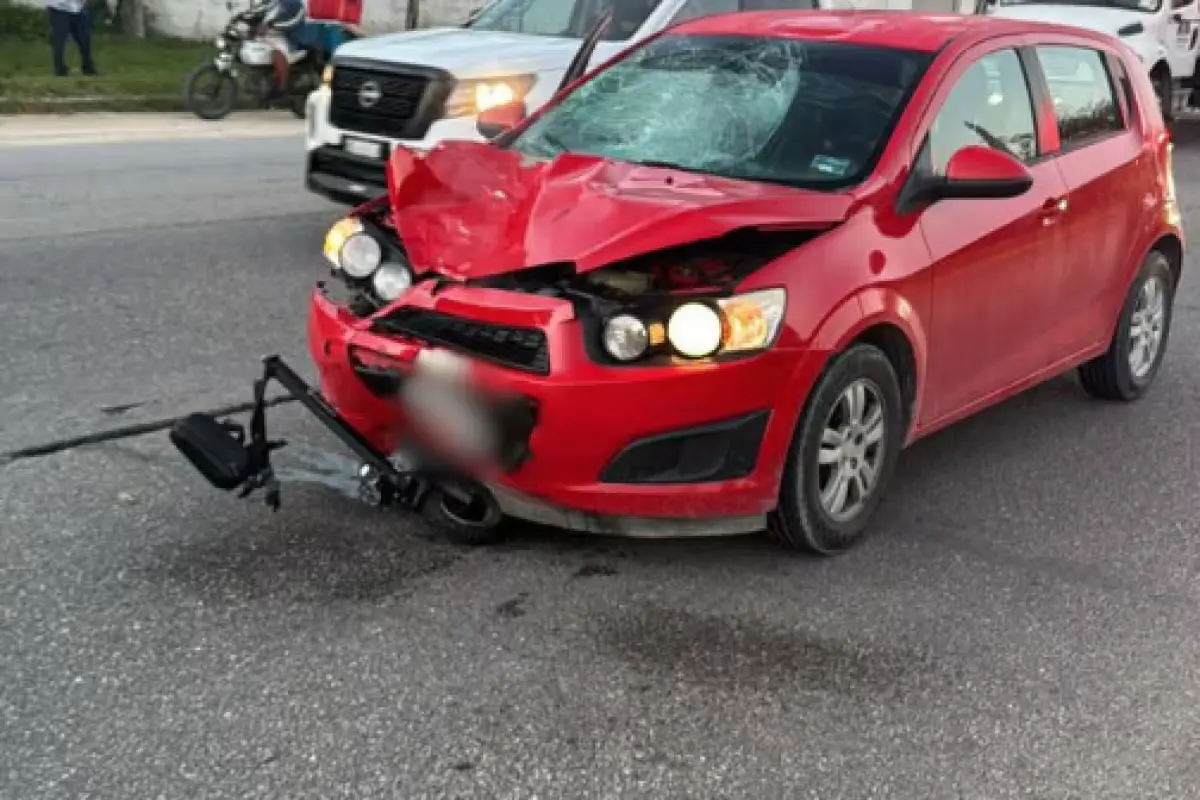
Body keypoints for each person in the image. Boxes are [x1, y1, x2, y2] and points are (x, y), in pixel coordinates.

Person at [260, 0, 310, 99]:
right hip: (277, 34)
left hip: (292, 37)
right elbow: (266, 14)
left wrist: (273, 26)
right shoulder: (276, 3)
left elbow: (294, 22)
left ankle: (281, 87)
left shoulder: (298, 5)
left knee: (279, 52)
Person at [46, 0, 97, 77]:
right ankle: (59, 69)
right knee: (59, 39)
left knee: (84, 38)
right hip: (59, 8)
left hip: (78, 9)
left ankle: (88, 68)